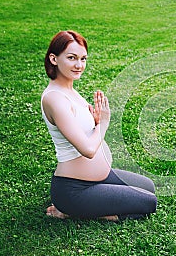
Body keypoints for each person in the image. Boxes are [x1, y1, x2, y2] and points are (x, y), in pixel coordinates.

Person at [41, 30, 157, 221]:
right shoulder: (55, 99)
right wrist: (102, 124)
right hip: (74, 189)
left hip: (98, 178)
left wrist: (94, 122)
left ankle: (88, 205)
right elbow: (87, 149)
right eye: (72, 58)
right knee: (148, 203)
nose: (79, 65)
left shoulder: (69, 90)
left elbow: (80, 130)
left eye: (83, 58)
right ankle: (72, 211)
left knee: (149, 187)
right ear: (54, 59)